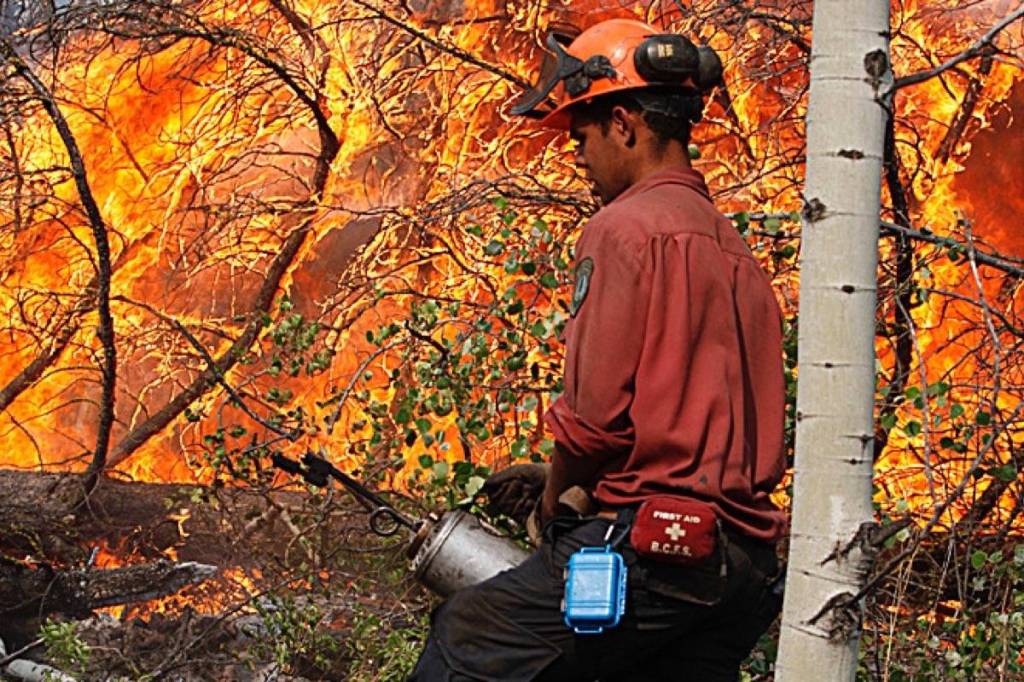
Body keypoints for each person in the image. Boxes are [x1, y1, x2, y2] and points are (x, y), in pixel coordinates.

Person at [410, 18, 787, 681]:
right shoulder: (732, 249)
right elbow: (697, 427)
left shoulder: (623, 230)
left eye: (581, 135)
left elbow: (594, 419)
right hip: (741, 570)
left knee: (471, 633)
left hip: (654, 551)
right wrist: (562, 476)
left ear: (624, 124)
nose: (576, 155)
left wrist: (556, 500)